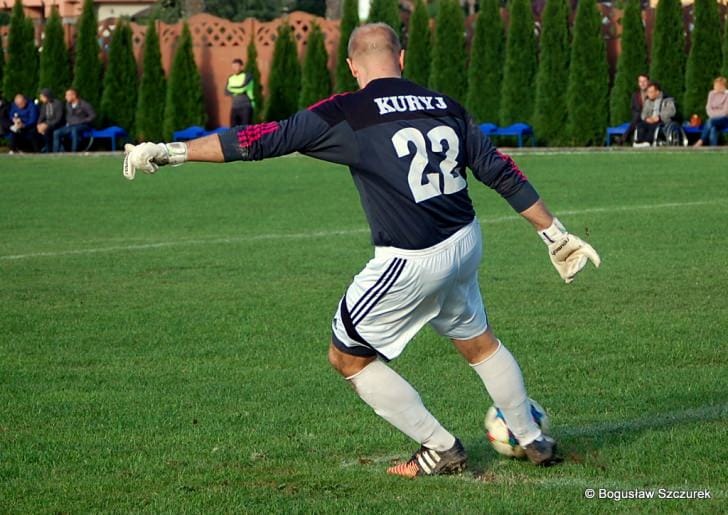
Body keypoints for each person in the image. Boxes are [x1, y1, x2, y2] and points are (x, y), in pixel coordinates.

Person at [123, 23, 600, 478]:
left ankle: (440, 448)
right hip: (464, 242)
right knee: (479, 342)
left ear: (353, 66)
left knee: (347, 356)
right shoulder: (445, 105)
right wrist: (554, 234)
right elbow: (499, 170)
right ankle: (532, 438)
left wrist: (171, 151)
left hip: (411, 258)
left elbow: (257, 140)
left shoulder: (348, 109)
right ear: (402, 59)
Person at [633, 82, 676, 147]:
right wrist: (646, 118)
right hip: (650, 120)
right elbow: (643, 113)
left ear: (657, 92)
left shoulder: (667, 100)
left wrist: (659, 117)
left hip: (662, 121)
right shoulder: (648, 101)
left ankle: (648, 141)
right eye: (648, 92)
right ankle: (639, 141)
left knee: (654, 126)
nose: (648, 94)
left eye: (651, 92)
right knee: (640, 125)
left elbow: (671, 111)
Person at [53, 88, 96, 153]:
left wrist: (83, 120)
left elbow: (93, 115)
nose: (65, 97)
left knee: (74, 130)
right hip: (71, 125)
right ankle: (55, 153)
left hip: (82, 125)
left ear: (74, 95)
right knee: (56, 132)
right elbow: (68, 116)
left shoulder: (84, 104)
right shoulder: (68, 105)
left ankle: (74, 152)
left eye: (67, 95)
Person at [693, 76, 728, 147]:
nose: (715, 87)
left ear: (723, 86)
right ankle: (713, 148)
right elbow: (708, 108)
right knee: (713, 127)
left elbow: (725, 112)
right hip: (713, 119)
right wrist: (714, 115)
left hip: (725, 120)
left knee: (710, 121)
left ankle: (701, 140)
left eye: (718, 85)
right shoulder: (711, 94)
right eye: (715, 85)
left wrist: (714, 115)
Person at [225, 58, 255, 126]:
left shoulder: (247, 76)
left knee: (246, 129)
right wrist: (238, 90)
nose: (234, 68)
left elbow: (242, 88)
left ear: (241, 66)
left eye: (236, 66)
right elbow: (226, 91)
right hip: (234, 107)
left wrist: (232, 88)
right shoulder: (230, 77)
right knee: (233, 129)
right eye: (233, 66)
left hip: (246, 106)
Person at [36, 88, 65, 153]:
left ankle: (54, 150)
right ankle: (46, 149)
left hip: (57, 124)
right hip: (47, 123)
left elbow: (58, 118)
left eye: (42, 97)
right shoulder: (44, 105)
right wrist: (38, 124)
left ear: (47, 96)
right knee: (41, 131)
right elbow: (42, 116)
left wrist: (47, 125)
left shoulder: (58, 104)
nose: (40, 99)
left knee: (48, 131)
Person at [627, 74, 650, 143]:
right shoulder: (635, 95)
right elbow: (632, 108)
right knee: (637, 116)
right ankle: (627, 138)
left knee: (637, 116)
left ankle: (624, 137)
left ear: (648, 82)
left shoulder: (652, 93)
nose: (642, 84)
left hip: (649, 117)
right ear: (638, 83)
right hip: (638, 119)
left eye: (644, 81)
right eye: (640, 82)